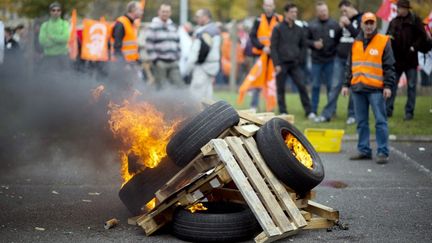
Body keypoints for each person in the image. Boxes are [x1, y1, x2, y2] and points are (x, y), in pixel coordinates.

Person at [342, 12, 395, 164]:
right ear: (362, 25)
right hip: (358, 89)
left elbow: (389, 66)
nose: (369, 26)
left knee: (380, 121)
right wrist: (346, 84)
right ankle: (364, 150)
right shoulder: (356, 43)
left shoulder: (383, 41)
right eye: (367, 23)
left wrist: (388, 86)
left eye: (372, 23)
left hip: (376, 89)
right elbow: (349, 66)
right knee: (361, 122)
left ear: (375, 24)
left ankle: (383, 152)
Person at [315, 0, 362, 124]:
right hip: (340, 58)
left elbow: (360, 37)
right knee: (335, 86)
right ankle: (327, 114)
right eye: (342, 12)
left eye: (345, 11)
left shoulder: (362, 18)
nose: (344, 14)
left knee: (353, 88)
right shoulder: (342, 21)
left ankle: (352, 115)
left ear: (351, 7)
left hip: (355, 59)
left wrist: (349, 26)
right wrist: (340, 28)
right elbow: (334, 39)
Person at [386, 0, 429, 120]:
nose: (398, 10)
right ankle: (388, 110)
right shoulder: (393, 22)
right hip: (397, 60)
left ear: (406, 9)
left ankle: (409, 112)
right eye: (398, 8)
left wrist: (414, 47)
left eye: (400, 8)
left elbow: (422, 36)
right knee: (392, 86)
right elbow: (387, 36)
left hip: (411, 60)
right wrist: (390, 38)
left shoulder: (415, 20)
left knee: (411, 86)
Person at [271, 3, 313, 117]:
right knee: (281, 89)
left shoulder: (299, 29)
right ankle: (283, 111)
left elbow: (303, 45)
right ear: (286, 13)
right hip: (281, 64)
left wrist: (300, 59)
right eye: (292, 12)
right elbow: (273, 47)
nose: (294, 14)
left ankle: (309, 112)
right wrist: (276, 64)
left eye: (295, 12)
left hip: (295, 64)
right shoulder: (278, 28)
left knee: (302, 86)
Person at [307, 1, 341, 118]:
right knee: (315, 86)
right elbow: (305, 41)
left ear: (328, 11)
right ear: (317, 12)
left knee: (331, 86)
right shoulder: (311, 25)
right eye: (321, 11)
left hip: (331, 60)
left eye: (325, 10)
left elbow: (339, 42)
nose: (323, 13)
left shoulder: (335, 25)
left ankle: (332, 110)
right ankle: (313, 111)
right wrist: (313, 44)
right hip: (316, 61)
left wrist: (334, 51)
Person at [248, 0, 282, 111]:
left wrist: (273, 49)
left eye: (270, 5)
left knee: (272, 81)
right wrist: (262, 47)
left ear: (274, 6)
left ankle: (270, 106)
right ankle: (254, 105)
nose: (268, 8)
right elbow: (252, 36)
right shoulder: (258, 20)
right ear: (263, 6)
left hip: (274, 56)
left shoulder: (279, 19)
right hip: (261, 55)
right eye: (266, 5)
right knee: (257, 80)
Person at [184, 9, 221, 99]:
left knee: (196, 96)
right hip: (212, 65)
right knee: (208, 96)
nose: (196, 19)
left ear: (205, 17)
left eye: (198, 17)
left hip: (202, 67)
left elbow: (198, 53)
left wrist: (187, 69)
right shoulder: (215, 29)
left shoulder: (204, 32)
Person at [146, 3, 183, 89]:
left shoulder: (173, 26)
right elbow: (149, 45)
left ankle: (179, 103)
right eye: (163, 11)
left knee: (180, 86)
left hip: (173, 62)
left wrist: (178, 56)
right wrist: (156, 60)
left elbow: (178, 43)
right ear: (159, 12)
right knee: (161, 88)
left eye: (167, 11)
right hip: (160, 63)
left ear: (170, 13)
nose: (165, 13)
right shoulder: (153, 26)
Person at [38, 2, 70, 69]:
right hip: (48, 58)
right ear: (50, 12)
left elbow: (65, 39)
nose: (56, 12)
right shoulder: (45, 25)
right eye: (53, 10)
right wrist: (59, 41)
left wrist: (51, 37)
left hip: (63, 58)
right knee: (48, 79)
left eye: (58, 10)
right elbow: (43, 42)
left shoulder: (65, 24)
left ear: (61, 12)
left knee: (64, 79)